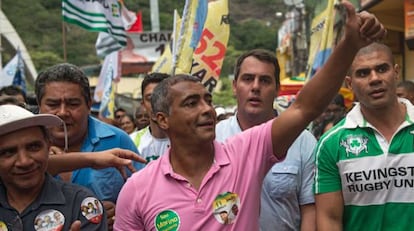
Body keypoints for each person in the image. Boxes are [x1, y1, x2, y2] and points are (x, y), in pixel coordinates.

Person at [114, 4, 386, 228]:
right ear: (163, 120)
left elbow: (304, 108)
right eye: (191, 103)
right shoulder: (137, 189)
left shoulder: (244, 153)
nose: (207, 109)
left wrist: (350, 45)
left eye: (208, 100)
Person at [313, 42, 414, 231]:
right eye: (363, 73)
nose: (374, 78)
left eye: (382, 69)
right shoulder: (331, 143)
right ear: (350, 83)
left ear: (396, 72)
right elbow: (329, 220)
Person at [215, 49, 317, 231]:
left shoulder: (303, 141)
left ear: (277, 89)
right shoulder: (213, 139)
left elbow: (310, 208)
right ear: (234, 86)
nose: (255, 87)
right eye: (247, 79)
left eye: (264, 80)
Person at [34, 63, 143, 229]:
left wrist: (122, 212)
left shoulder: (118, 141)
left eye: (73, 104)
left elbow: (146, 198)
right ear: (39, 105)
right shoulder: (24, 146)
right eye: (53, 104)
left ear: (89, 104)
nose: (63, 112)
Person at [0, 104, 107, 230]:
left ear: (48, 146)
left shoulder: (81, 204)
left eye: (34, 147)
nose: (24, 161)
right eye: (8, 152)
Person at [132, 72, 170, 163]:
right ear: (143, 104)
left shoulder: (188, 141)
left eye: (161, 97)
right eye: (150, 98)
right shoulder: (132, 142)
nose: (155, 104)